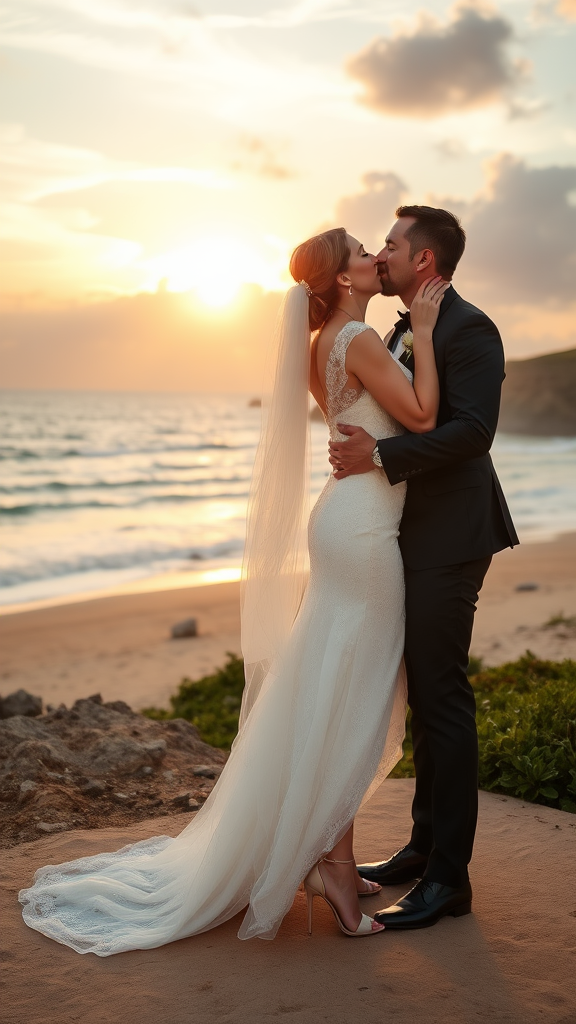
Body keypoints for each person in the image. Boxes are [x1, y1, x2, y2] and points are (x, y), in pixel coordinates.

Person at [18, 228, 447, 953]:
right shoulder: (359, 341)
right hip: (366, 529)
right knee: (357, 696)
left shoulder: (322, 345)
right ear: (342, 280)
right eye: (362, 253)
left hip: (342, 520)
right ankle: (335, 868)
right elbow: (425, 418)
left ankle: (325, 855)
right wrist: (428, 334)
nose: (377, 256)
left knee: (336, 692)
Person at [329, 206, 519, 929]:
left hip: (452, 535)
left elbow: (472, 433)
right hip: (409, 535)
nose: (383, 253)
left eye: (392, 244)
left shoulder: (471, 329)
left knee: (443, 697)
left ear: (425, 263)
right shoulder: (404, 329)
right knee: (424, 698)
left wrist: (378, 456)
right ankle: (420, 846)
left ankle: (450, 880)